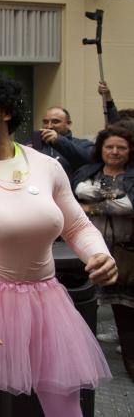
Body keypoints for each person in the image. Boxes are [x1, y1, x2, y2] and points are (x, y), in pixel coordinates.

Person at [0, 70, 117, 417]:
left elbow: (78, 226)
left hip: (45, 300)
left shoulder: (46, 166)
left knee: (64, 403)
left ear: (7, 111)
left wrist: (98, 254)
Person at [72, 125, 134, 380]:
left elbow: (128, 206)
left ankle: (131, 365)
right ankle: (79, 366)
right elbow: (78, 191)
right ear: (101, 149)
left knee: (126, 312)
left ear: (130, 150)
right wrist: (112, 197)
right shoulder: (87, 171)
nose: (115, 152)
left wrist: (94, 206)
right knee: (84, 307)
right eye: (110, 146)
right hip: (90, 253)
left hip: (126, 254)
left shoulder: (132, 175)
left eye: (121, 147)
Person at [34, 106, 93, 180]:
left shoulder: (83, 144)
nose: (49, 126)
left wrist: (59, 140)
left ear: (68, 124)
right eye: (45, 122)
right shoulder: (35, 145)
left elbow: (88, 159)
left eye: (55, 122)